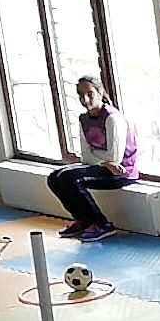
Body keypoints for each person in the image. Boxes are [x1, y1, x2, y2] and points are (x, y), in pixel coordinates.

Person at [47, 75, 139, 242]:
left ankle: (101, 224)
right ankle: (84, 220)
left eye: (90, 94)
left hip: (121, 172)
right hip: (102, 167)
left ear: (100, 92)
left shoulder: (112, 118)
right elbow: (86, 155)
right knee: (54, 177)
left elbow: (115, 158)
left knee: (69, 178)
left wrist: (98, 156)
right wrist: (103, 161)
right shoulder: (84, 119)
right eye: (81, 95)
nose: (85, 99)